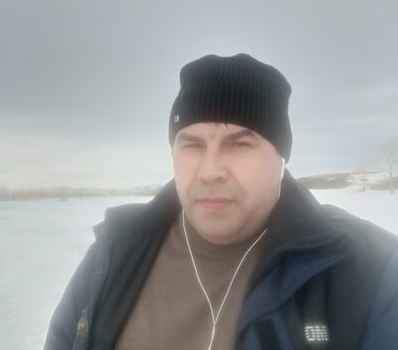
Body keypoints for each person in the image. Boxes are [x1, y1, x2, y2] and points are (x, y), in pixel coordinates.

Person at [44, 54, 398, 350]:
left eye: (240, 144)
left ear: (281, 158)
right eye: (192, 144)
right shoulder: (115, 251)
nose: (210, 171)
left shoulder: (371, 272)